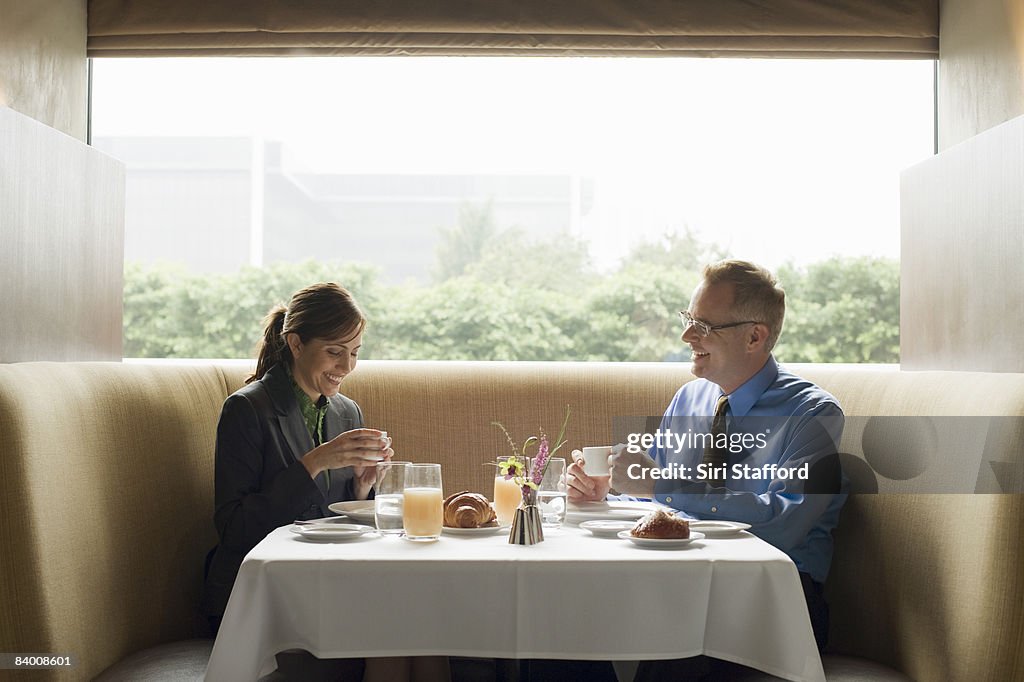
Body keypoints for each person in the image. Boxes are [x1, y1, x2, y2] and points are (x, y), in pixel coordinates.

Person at [566, 260, 846, 677]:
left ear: (755, 336)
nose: (686, 335)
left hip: (774, 600)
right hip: (680, 583)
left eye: (704, 325)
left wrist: (660, 483)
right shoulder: (688, 399)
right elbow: (655, 493)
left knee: (674, 643)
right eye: (688, 319)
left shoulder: (814, 414)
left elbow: (785, 523)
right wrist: (606, 489)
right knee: (562, 619)